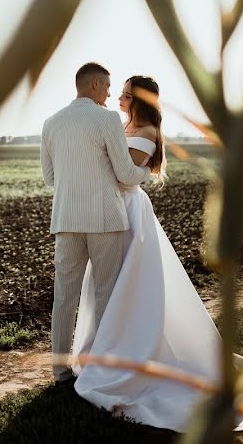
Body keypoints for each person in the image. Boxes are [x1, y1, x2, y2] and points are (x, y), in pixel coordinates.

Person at [68, 74, 243, 432]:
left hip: (128, 213)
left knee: (124, 285)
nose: (119, 99)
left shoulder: (145, 132)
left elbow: (124, 177)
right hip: (111, 210)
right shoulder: (124, 125)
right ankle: (100, 350)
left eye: (127, 95)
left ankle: (121, 355)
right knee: (105, 283)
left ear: (141, 100)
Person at [40, 63, 152, 384]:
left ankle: (60, 371)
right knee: (105, 294)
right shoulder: (107, 119)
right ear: (93, 83)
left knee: (64, 297)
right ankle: (100, 370)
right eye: (106, 87)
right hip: (105, 219)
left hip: (65, 220)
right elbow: (125, 174)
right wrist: (149, 171)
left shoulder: (51, 123)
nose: (108, 94)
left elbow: (50, 178)